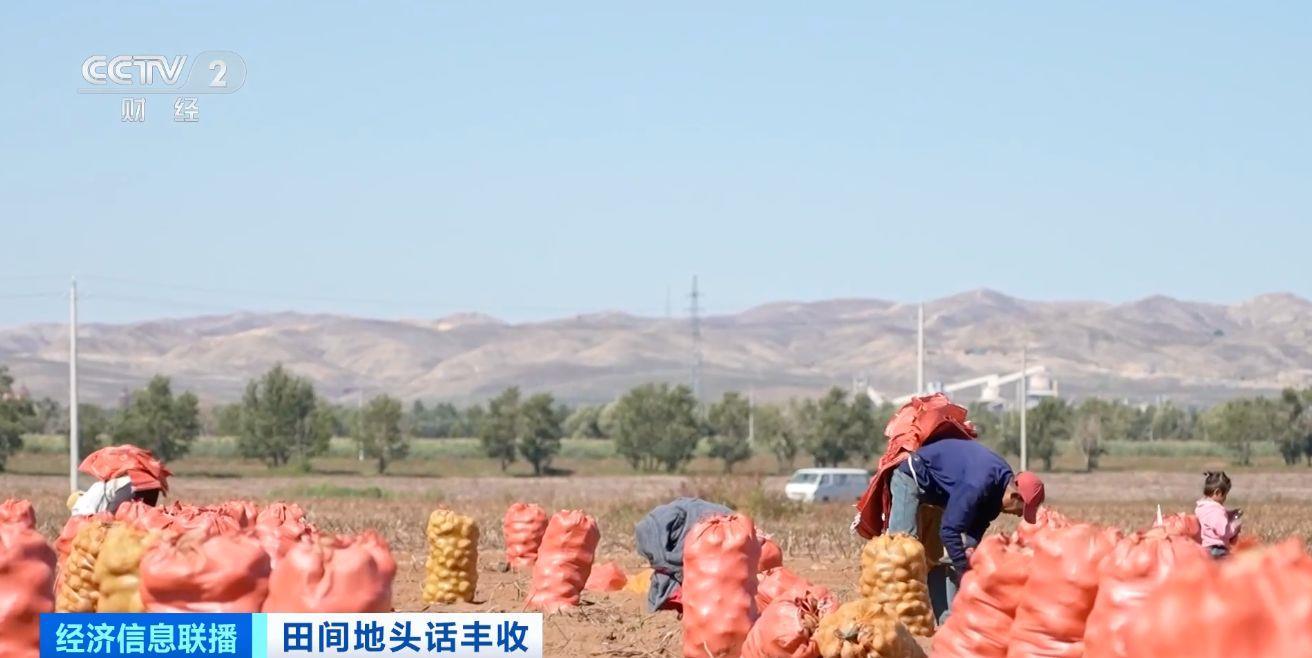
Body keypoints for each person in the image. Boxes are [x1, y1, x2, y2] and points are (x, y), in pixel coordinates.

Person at [887, 437, 1045, 622]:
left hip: (938, 495)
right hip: (913, 478)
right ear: (1015, 496)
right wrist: (964, 571)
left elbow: (973, 532)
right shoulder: (977, 484)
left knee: (941, 558)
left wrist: (971, 558)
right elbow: (949, 531)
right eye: (1022, 510)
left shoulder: (997, 492)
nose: (1019, 515)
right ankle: (889, 617)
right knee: (904, 549)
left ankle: (948, 623)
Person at [1196, 470, 1242, 559]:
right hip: (1218, 549)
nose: (1225, 498)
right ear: (1217, 492)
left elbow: (1215, 520)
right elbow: (1224, 531)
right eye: (1225, 495)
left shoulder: (1203, 507)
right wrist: (1235, 526)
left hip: (1206, 548)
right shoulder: (1216, 510)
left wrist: (1230, 514)